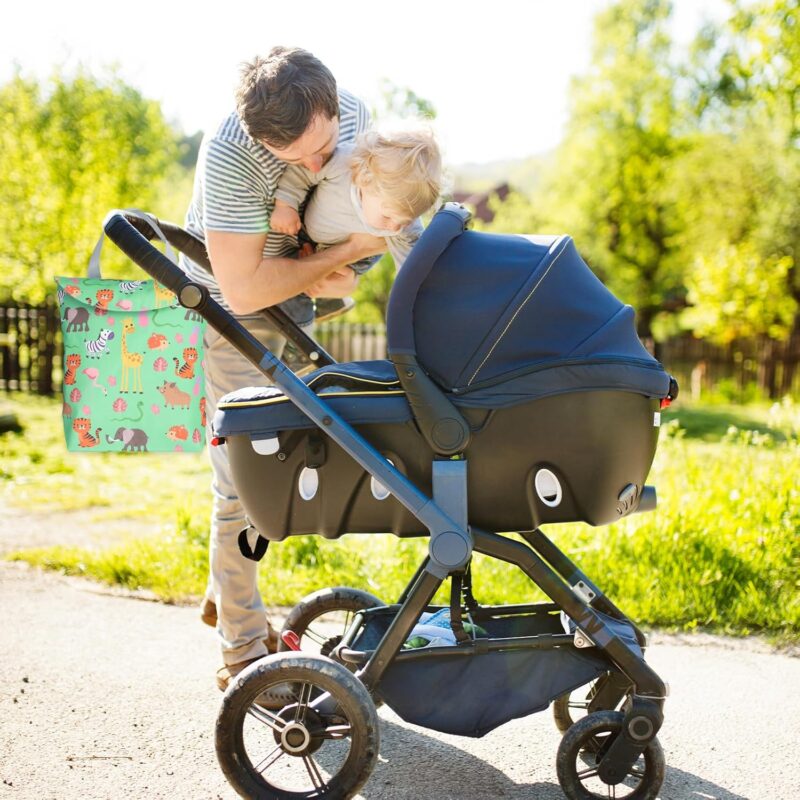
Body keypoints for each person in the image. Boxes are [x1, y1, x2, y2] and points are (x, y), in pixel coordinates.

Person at [181, 46, 387, 693]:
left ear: (332, 106)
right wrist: (347, 251)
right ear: (261, 139)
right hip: (229, 307)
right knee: (241, 479)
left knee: (280, 468)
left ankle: (226, 592)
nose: (316, 165)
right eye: (295, 159)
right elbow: (242, 290)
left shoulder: (352, 113)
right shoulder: (232, 155)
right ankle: (242, 649)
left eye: (322, 147)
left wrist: (338, 265)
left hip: (298, 296)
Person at [269, 128, 443, 281]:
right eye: (388, 216)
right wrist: (285, 205)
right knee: (283, 266)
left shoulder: (404, 217)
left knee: (329, 277)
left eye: (406, 220)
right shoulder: (342, 162)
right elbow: (301, 174)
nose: (394, 226)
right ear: (365, 180)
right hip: (305, 229)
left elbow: (413, 262)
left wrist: (414, 285)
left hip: (351, 254)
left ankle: (327, 296)